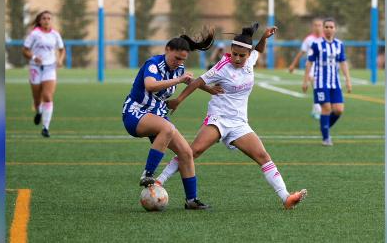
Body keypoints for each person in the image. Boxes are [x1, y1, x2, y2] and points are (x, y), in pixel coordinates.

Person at [156, 23, 307, 210]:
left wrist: (264, 39)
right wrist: (178, 100)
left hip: (239, 123)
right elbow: (197, 82)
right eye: (234, 54)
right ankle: (159, 181)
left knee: (263, 156)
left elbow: (258, 50)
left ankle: (286, 197)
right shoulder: (222, 67)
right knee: (193, 152)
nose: (236, 58)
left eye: (241, 55)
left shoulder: (251, 58)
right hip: (218, 118)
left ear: (248, 54)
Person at [122, 28, 223, 210]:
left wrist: (209, 89)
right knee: (167, 129)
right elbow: (150, 85)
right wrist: (179, 80)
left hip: (158, 114)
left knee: (186, 153)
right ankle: (148, 173)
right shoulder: (153, 64)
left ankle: (191, 200)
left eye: (183, 59)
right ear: (167, 49)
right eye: (176, 58)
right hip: (136, 113)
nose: (179, 63)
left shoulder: (179, 69)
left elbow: (190, 81)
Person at [302, 18, 352, 146]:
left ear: (335, 29)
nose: (329, 29)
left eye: (331, 27)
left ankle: (324, 127)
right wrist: (306, 80)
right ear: (323, 29)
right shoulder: (316, 44)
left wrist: (348, 79)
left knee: (339, 110)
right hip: (320, 82)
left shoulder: (339, 44)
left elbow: (343, 62)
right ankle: (326, 138)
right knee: (326, 108)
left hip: (335, 82)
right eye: (326, 27)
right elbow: (309, 62)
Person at [22, 10, 65, 138]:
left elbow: (62, 50)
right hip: (35, 68)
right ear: (39, 21)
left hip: (50, 68)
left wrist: (60, 60)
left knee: (47, 96)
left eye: (49, 18)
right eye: (44, 18)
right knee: (37, 99)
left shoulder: (55, 35)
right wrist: (34, 56)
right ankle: (38, 111)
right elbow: (25, 50)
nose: (46, 20)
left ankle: (45, 127)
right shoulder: (34, 34)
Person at [288, 18, 324, 119]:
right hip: (311, 66)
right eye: (315, 25)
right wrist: (293, 65)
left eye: (320, 25)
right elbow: (301, 52)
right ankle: (318, 110)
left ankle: (315, 109)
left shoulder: (326, 39)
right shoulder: (309, 39)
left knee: (320, 88)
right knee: (316, 86)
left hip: (323, 67)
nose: (317, 27)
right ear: (313, 27)